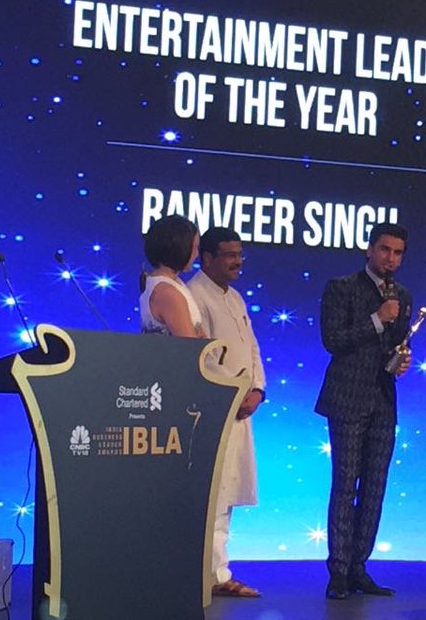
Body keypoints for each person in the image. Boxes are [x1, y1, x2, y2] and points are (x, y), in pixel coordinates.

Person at [315, 222, 413, 600]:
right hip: (347, 398)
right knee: (345, 485)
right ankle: (338, 571)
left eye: (398, 252)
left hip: (383, 401)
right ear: (370, 250)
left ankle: (359, 567)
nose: (391, 258)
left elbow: (397, 343)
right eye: (385, 249)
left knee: (375, 487)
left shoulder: (402, 295)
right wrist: (377, 319)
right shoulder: (341, 287)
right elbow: (332, 340)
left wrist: (401, 359)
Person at [188, 227, 265, 598]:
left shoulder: (234, 297)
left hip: (240, 409)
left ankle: (218, 570)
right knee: (213, 494)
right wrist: (234, 392)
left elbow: (252, 348)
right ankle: (211, 574)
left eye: (240, 254)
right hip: (214, 409)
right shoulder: (194, 295)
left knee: (228, 492)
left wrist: (258, 389)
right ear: (207, 257)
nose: (238, 262)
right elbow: (200, 357)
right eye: (230, 255)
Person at [140, 215, 203, 339]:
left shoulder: (173, 284)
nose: (197, 254)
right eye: (195, 247)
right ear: (182, 248)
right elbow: (189, 344)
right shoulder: (167, 292)